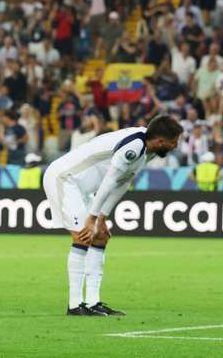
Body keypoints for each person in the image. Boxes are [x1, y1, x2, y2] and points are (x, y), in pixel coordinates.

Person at [42, 114, 183, 316]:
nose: (175, 147)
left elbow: (123, 183)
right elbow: (109, 181)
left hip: (84, 187)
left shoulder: (147, 151)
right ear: (160, 141)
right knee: (83, 235)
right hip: (65, 178)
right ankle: (75, 305)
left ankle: (92, 302)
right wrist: (92, 218)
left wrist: (102, 217)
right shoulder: (133, 146)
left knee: (100, 236)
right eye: (173, 142)